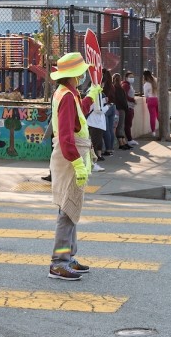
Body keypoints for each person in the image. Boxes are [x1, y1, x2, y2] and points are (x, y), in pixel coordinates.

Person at [48, 52, 101, 280]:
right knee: (67, 212)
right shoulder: (67, 96)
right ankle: (59, 263)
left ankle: (68, 257)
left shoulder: (68, 93)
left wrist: (91, 95)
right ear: (75, 74)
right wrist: (78, 164)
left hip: (70, 157)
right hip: (70, 158)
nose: (83, 74)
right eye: (81, 71)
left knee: (70, 210)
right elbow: (67, 137)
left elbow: (79, 116)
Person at [86, 86, 108, 172]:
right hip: (95, 123)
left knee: (93, 143)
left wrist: (103, 101)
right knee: (94, 144)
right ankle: (92, 163)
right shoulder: (96, 92)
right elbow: (98, 109)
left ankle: (91, 163)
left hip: (93, 122)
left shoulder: (92, 91)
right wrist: (108, 106)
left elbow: (94, 105)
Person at [113, 73, 131, 150]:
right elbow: (123, 100)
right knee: (121, 126)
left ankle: (123, 141)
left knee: (118, 126)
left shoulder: (113, 88)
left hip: (115, 108)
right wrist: (126, 108)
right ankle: (121, 142)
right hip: (121, 109)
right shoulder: (120, 89)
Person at [101, 68, 116, 155]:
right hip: (113, 106)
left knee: (106, 129)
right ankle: (110, 148)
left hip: (106, 107)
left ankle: (108, 149)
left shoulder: (104, 86)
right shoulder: (112, 86)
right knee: (110, 129)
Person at [121, 71, 138, 146]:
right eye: (130, 77)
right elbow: (124, 95)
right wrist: (132, 100)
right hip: (128, 106)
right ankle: (129, 139)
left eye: (133, 77)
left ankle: (128, 138)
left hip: (130, 106)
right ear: (126, 78)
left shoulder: (129, 85)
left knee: (129, 123)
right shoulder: (126, 85)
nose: (132, 78)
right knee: (128, 123)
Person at [143, 69, 158, 137]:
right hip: (157, 99)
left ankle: (153, 132)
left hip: (150, 100)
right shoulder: (156, 80)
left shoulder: (146, 84)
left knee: (152, 116)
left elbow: (146, 94)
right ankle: (162, 129)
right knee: (159, 115)